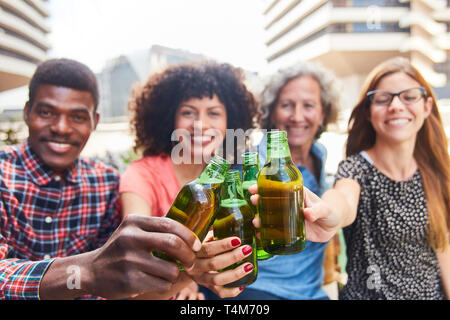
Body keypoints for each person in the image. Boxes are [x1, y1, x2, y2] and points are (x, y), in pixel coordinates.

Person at [0, 58, 254, 300]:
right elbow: (126, 272)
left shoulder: (105, 182)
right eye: (46, 112)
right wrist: (87, 271)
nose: (62, 128)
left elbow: (130, 282)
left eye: (77, 116)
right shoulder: (5, 175)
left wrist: (189, 275)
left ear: (94, 121)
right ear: (26, 113)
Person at [202, 60, 343, 300]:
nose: (297, 116)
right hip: (259, 290)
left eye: (308, 105)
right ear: (271, 112)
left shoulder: (320, 155)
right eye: (287, 105)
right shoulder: (252, 165)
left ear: (323, 113)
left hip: (311, 292)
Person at [311, 57, 450, 299]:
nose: (396, 106)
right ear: (367, 112)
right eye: (383, 98)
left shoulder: (435, 172)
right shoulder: (355, 168)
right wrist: (328, 212)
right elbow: (343, 199)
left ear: (427, 106)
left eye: (409, 96)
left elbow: (444, 249)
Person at [119, 62, 259, 298]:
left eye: (213, 113)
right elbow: (136, 275)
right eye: (188, 112)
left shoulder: (234, 177)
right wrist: (187, 279)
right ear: (169, 119)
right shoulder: (142, 175)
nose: (200, 125)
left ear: (230, 122)